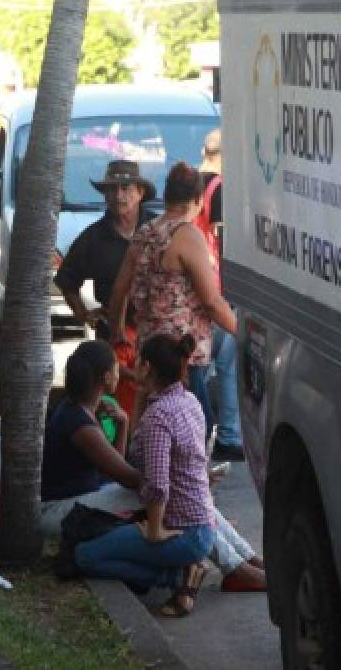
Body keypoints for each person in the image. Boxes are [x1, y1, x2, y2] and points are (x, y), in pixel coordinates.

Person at [41, 340, 266, 593]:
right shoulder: (79, 422)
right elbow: (128, 477)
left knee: (184, 496)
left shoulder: (84, 410)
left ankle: (244, 559)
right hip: (58, 510)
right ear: (106, 377)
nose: (123, 371)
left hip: (85, 499)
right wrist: (188, 480)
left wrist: (124, 424)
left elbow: (116, 469)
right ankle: (237, 567)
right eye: (117, 367)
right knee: (178, 496)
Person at [74, 334, 218, 617]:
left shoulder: (160, 416)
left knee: (84, 555)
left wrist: (154, 530)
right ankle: (178, 570)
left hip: (182, 532)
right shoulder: (188, 401)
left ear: (147, 366)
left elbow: (157, 485)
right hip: (202, 527)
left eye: (137, 359)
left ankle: (175, 578)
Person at [108, 162, 237, 432]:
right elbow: (212, 302)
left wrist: (117, 330)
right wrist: (240, 330)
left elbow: (119, 289)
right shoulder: (188, 235)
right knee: (193, 425)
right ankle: (183, 475)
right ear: (198, 200)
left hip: (149, 348)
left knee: (149, 421)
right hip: (182, 354)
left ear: (166, 197)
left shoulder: (145, 232)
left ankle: (149, 471)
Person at [55, 159, 156, 413]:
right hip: (114, 337)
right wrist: (84, 314)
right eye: (112, 189)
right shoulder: (94, 237)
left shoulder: (158, 229)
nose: (118, 195)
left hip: (155, 332)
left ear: (140, 192)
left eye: (125, 188)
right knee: (117, 407)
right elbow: (67, 279)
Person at [193, 129, 244, 460]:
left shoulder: (192, 183)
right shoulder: (220, 188)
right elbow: (224, 243)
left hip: (193, 288)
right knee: (226, 366)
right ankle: (228, 435)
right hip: (218, 290)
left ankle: (199, 435)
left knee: (196, 367)